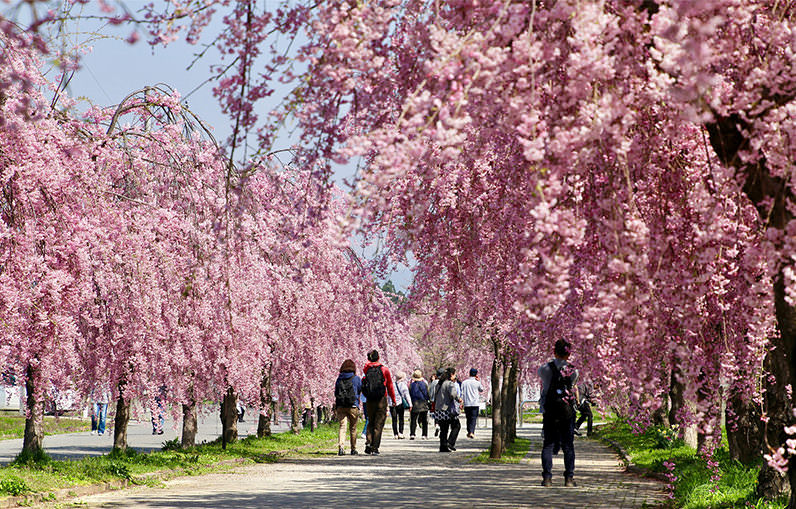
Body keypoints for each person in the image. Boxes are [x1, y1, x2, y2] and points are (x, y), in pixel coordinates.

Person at [538, 339, 579, 487]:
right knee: (568, 445)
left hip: (550, 410)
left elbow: (543, 382)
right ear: (569, 354)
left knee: (548, 444)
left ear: (554, 352)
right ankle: (569, 478)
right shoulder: (574, 371)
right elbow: (573, 385)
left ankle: (547, 478)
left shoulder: (544, 369)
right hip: (567, 411)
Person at [362, 349, 396, 455]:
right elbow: (389, 385)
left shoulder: (366, 369)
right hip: (381, 398)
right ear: (378, 357)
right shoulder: (384, 369)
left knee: (370, 421)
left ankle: (368, 441)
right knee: (379, 423)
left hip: (369, 398)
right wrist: (393, 399)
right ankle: (375, 447)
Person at [334, 359, 362, 456]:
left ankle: (341, 448)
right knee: (353, 428)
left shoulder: (339, 379)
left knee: (342, 427)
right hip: (353, 405)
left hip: (341, 405)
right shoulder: (356, 378)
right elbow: (359, 391)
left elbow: (336, 392)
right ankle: (353, 449)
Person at [433, 367, 463, 452]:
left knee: (444, 429)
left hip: (438, 409)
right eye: (454, 374)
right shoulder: (449, 384)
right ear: (451, 375)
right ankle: (450, 442)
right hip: (447, 409)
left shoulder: (438, 384)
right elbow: (453, 394)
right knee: (456, 425)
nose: (455, 376)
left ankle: (443, 447)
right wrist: (459, 399)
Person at [461, 368, 484, 439]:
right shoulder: (477, 382)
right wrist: (479, 381)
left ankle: (469, 431)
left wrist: (461, 402)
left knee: (468, 418)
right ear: (476, 374)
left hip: (467, 403)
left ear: (469, 374)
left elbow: (462, 393)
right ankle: (471, 432)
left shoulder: (464, 382)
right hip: (475, 403)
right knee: (473, 418)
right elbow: (481, 389)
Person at [408, 369, 430, 440]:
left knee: (413, 420)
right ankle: (424, 434)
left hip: (414, 403)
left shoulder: (411, 385)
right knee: (424, 420)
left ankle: (412, 434)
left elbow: (410, 394)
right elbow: (427, 394)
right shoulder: (424, 384)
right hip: (423, 403)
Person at [390, 372, 411, 439]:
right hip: (400, 403)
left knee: (394, 419)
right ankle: (401, 433)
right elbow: (407, 395)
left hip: (392, 403)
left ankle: (395, 434)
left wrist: (389, 403)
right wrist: (410, 404)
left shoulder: (392, 385)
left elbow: (388, 395)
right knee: (401, 418)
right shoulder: (403, 385)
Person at [428, 369, 443, 437]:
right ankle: (442, 429)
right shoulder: (445, 382)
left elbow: (431, 391)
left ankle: (437, 425)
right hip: (442, 401)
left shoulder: (434, 382)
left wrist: (431, 399)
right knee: (443, 414)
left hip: (434, 400)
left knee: (436, 413)